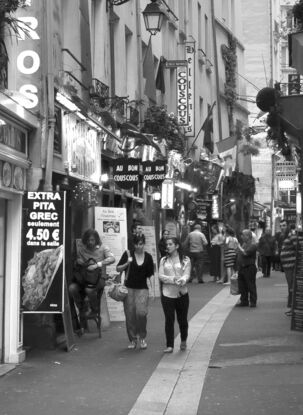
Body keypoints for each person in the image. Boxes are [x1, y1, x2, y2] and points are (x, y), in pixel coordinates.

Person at [69, 229, 115, 326]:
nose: (90, 242)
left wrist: (97, 265)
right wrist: (78, 261)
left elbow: (112, 258)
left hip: (99, 278)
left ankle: (95, 310)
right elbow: (77, 260)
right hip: (85, 278)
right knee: (72, 288)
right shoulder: (82, 248)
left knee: (89, 290)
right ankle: (82, 309)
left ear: (96, 240)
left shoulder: (103, 248)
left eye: (92, 240)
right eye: (88, 240)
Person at [116, 234, 154, 350]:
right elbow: (118, 268)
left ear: (144, 244)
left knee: (141, 313)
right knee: (130, 315)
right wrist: (127, 263)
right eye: (137, 244)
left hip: (142, 288)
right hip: (129, 288)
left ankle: (142, 336)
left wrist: (152, 290)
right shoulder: (128, 254)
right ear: (134, 244)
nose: (139, 246)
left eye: (141, 244)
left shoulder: (148, 257)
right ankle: (133, 339)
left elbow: (151, 274)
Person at [158, 237, 191, 353]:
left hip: (182, 293)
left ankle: (183, 340)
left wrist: (182, 279)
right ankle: (170, 345)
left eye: (170, 244)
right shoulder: (163, 260)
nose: (168, 246)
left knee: (182, 320)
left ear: (177, 246)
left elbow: (187, 274)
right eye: (167, 244)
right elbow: (160, 276)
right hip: (167, 294)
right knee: (169, 319)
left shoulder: (185, 259)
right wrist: (173, 279)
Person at [235, 229, 258, 308]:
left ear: (248, 236)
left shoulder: (253, 244)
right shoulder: (244, 244)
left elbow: (245, 253)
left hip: (249, 267)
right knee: (242, 285)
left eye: (243, 235)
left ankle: (253, 301)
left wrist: (238, 247)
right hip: (242, 267)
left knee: (250, 285)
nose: (241, 236)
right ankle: (244, 301)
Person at [279, 219, 297, 314]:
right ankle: (292, 308)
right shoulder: (285, 236)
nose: (282, 227)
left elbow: (298, 248)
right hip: (287, 266)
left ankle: (293, 309)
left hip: (291, 266)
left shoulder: (292, 235)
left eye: (284, 225)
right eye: (281, 225)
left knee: (292, 287)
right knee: (290, 287)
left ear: (288, 226)